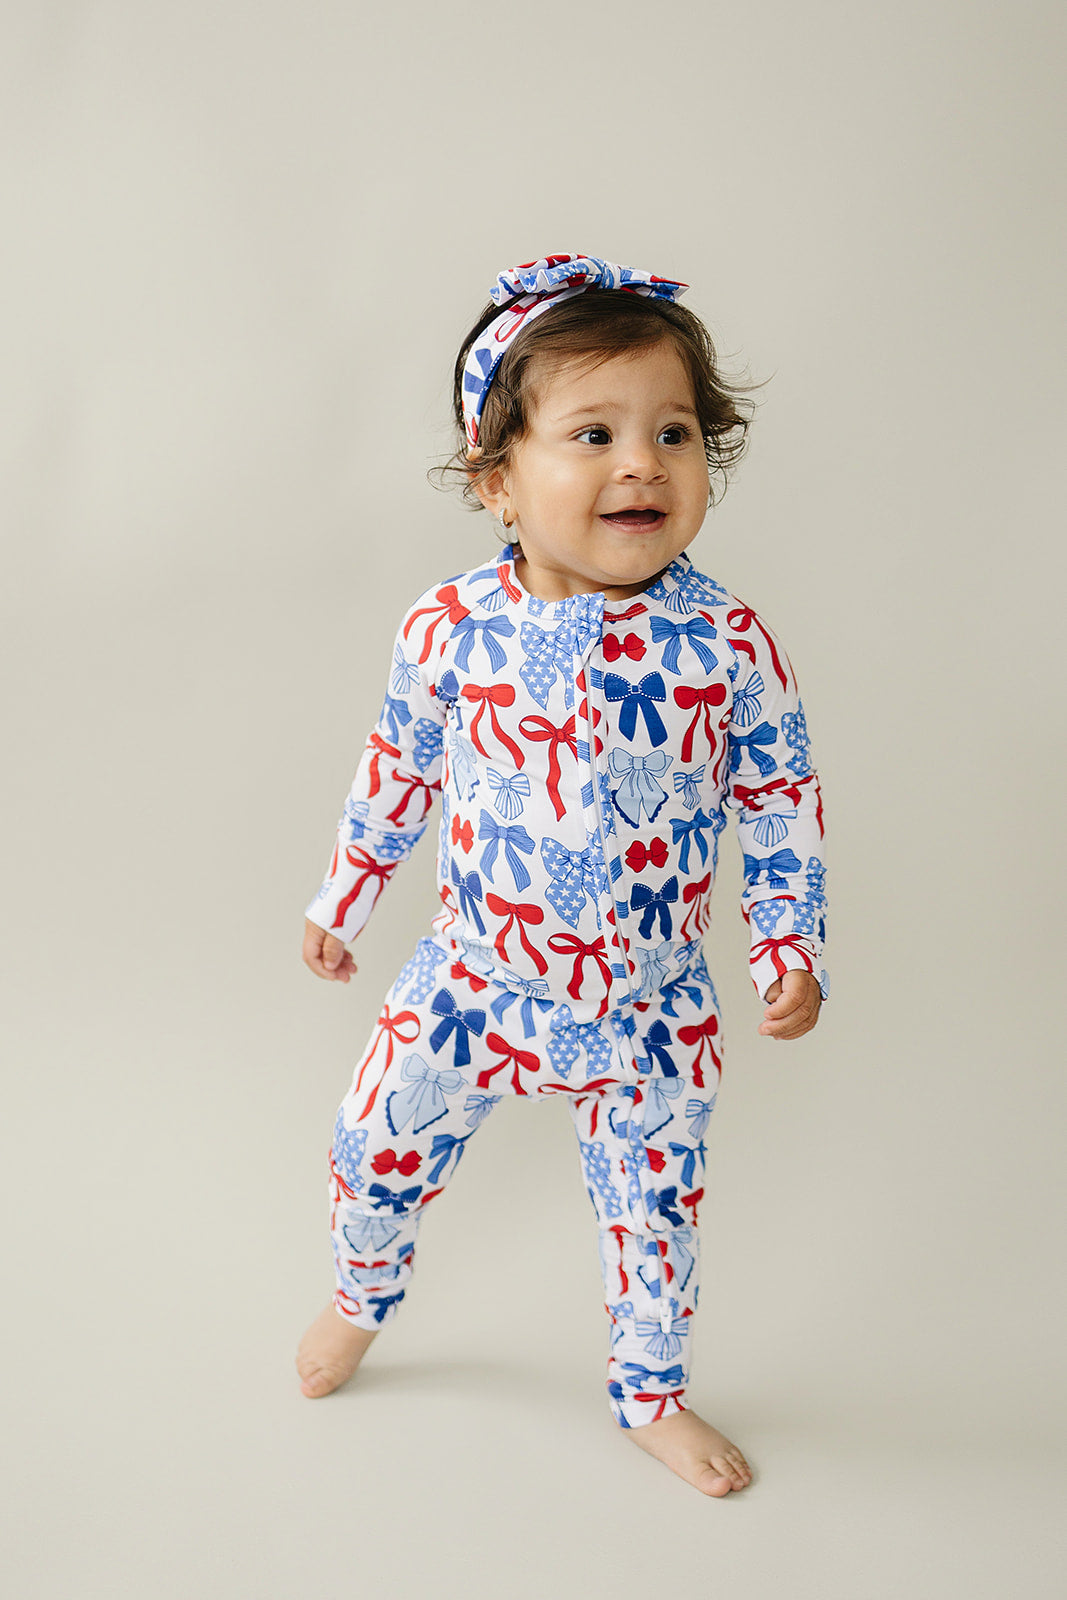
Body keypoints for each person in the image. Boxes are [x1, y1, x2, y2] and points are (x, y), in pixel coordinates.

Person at [295, 254, 828, 1497]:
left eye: (673, 433)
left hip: (650, 1003)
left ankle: (650, 1391)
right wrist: (343, 896)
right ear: (496, 481)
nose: (642, 464)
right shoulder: (447, 628)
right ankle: (358, 1296)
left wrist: (786, 943)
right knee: (372, 1144)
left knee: (655, 1215)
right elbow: (397, 766)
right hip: (472, 981)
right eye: (593, 434)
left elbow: (778, 798)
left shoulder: (724, 642)